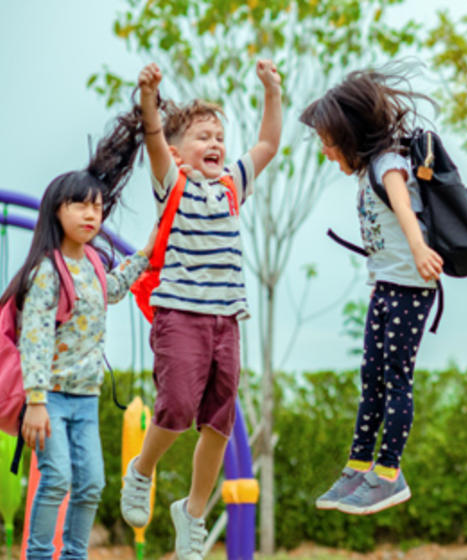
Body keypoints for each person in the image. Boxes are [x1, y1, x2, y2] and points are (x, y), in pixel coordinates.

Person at [119, 60, 282, 560]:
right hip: (181, 316)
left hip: (226, 320)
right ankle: (141, 471)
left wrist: (271, 93)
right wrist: (149, 97)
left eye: (219, 137)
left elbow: (269, 144)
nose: (215, 145)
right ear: (177, 150)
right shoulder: (174, 182)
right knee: (176, 407)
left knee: (218, 422)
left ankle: (190, 513)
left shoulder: (233, 184)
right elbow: (151, 135)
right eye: (203, 137)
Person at [7, 105, 154, 559]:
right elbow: (34, 338)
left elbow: (110, 291)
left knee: (91, 482)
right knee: (58, 479)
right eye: (80, 204)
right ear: (57, 209)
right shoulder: (46, 272)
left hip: (86, 397)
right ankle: (38, 555)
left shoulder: (91, 262)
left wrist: (147, 252)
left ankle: (74, 556)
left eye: (96, 206)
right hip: (48, 395)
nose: (92, 214)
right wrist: (34, 403)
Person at [303, 68, 445, 515]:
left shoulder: (387, 163)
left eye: (328, 141)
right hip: (386, 287)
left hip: (409, 287)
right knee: (372, 379)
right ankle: (359, 465)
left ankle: (388, 473)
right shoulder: (367, 170)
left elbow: (402, 204)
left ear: (350, 134)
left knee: (395, 379)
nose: (325, 152)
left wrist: (420, 249)